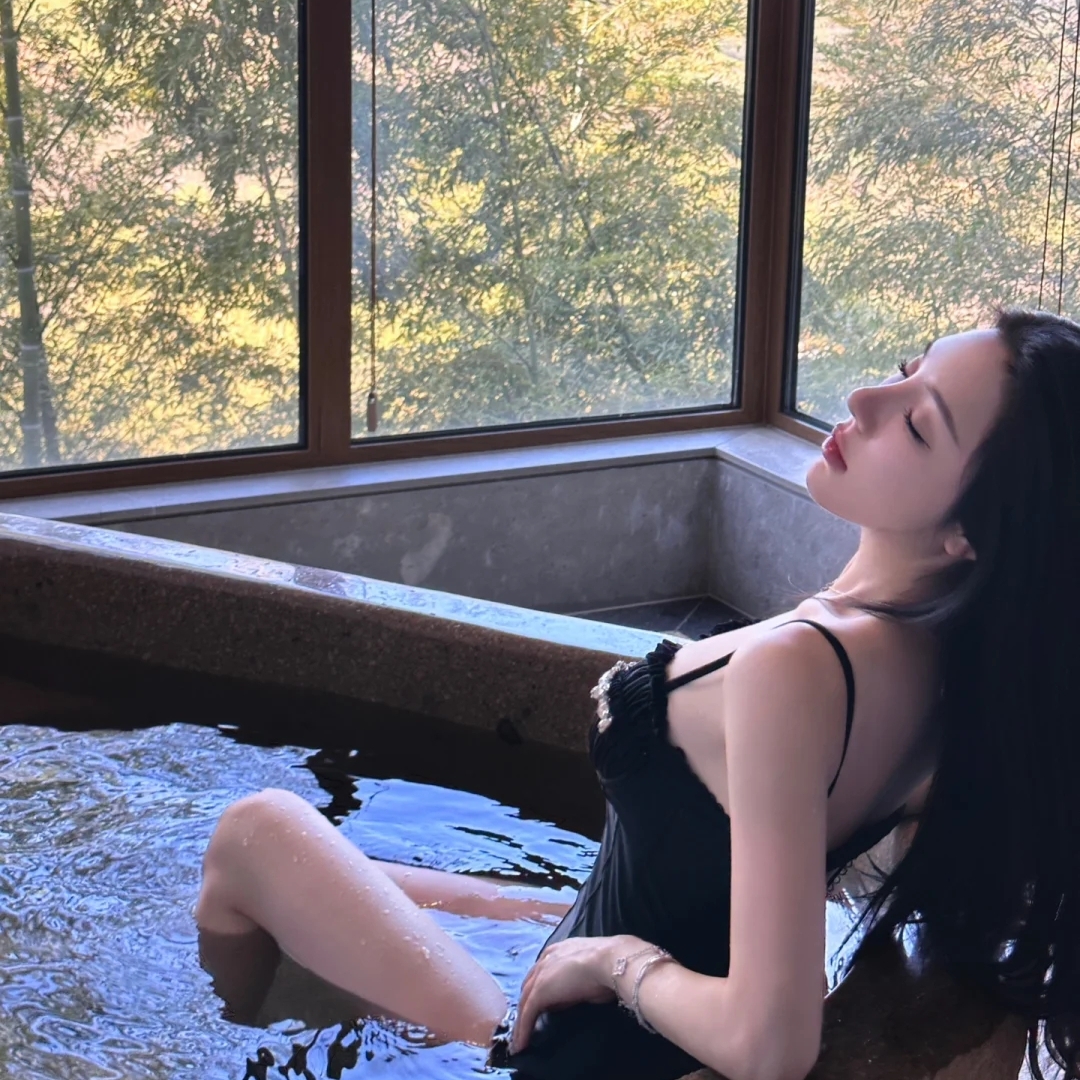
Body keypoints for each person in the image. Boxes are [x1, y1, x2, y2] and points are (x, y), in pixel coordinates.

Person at [194, 308, 1080, 1080]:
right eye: (905, 370)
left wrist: (618, 963)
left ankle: (231, 1044)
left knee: (255, 833)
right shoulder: (952, 670)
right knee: (367, 880)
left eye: (916, 424)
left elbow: (773, 1046)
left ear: (972, 532)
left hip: (566, 1046)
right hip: (640, 960)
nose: (863, 401)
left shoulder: (800, 668)